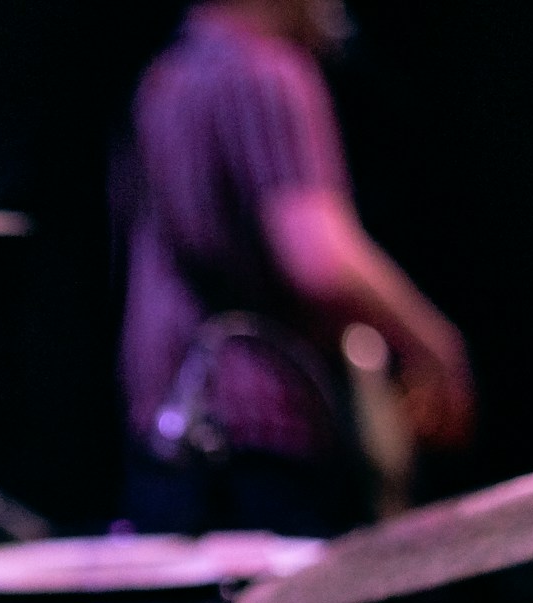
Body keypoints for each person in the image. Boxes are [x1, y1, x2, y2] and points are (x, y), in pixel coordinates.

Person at [119, 0, 475, 537]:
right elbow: (318, 260)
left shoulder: (165, 80)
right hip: (264, 442)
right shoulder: (268, 72)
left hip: (166, 436)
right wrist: (434, 346)